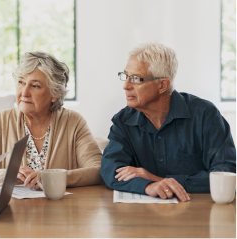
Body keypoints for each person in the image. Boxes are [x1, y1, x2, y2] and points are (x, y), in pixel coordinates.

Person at [100, 42, 237, 201]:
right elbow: (111, 170)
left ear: (162, 85)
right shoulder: (123, 121)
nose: (125, 85)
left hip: (199, 215)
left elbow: (228, 173)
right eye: (125, 76)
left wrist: (157, 179)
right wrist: (148, 185)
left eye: (136, 78)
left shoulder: (205, 115)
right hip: (144, 217)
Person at [0, 51, 103, 189]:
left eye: (35, 86)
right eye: (21, 82)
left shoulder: (74, 122)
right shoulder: (1, 121)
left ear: (54, 94)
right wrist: (8, 174)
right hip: (14, 208)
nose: (24, 92)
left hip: (61, 207)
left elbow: (98, 170)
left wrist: (54, 178)